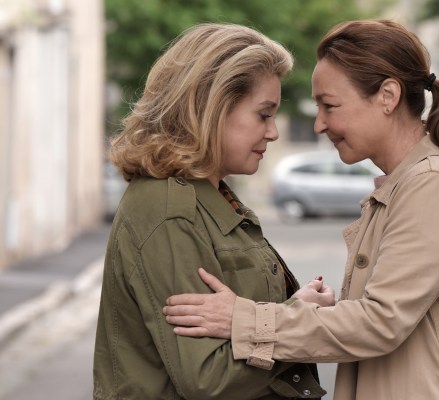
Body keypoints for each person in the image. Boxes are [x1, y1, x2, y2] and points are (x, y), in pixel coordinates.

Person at [162, 19, 439, 400]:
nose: (320, 124)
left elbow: (379, 323)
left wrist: (244, 320)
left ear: (388, 96)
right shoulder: (405, 185)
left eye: (330, 106)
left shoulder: (433, 184)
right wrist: (300, 310)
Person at [93, 23, 326, 400]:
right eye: (263, 115)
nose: (273, 133)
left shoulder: (210, 196)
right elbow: (207, 378)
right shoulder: (169, 211)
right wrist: (298, 320)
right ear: (212, 108)